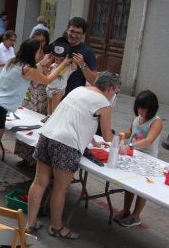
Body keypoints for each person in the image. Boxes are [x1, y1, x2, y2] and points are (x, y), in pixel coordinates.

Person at [26, 71, 119, 239]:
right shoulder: (104, 104)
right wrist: (122, 141)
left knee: (39, 182)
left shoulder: (79, 90)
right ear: (110, 88)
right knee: (60, 189)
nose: (114, 95)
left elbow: (79, 117)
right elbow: (107, 136)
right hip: (66, 143)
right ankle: (56, 227)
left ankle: (30, 223)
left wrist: (92, 141)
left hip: (47, 135)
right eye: (116, 91)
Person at [0, 39, 72, 192]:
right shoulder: (28, 69)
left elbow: (30, 70)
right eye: (40, 51)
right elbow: (48, 79)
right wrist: (63, 64)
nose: (42, 53)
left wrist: (44, 61)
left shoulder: (14, 61)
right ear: (33, 53)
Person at [114, 90, 163, 228]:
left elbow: (148, 140)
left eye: (144, 109)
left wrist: (130, 145)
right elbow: (131, 132)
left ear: (151, 108)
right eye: (139, 108)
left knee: (142, 188)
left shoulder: (156, 122)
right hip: (133, 156)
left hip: (147, 159)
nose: (140, 111)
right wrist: (122, 135)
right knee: (130, 185)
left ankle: (136, 215)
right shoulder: (137, 118)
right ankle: (126, 210)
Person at [62, 17, 98, 96]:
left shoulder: (88, 52)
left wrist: (82, 65)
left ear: (83, 34)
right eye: (72, 31)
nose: (74, 35)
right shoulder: (59, 46)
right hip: (52, 96)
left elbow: (94, 81)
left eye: (78, 33)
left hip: (73, 97)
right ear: (67, 30)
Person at [22, 29, 51, 115]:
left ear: (46, 41)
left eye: (42, 41)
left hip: (43, 90)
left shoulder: (49, 55)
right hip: (28, 88)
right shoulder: (28, 53)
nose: (40, 44)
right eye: (37, 41)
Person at [45, 42, 77, 118]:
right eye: (56, 59)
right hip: (49, 87)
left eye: (61, 60)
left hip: (58, 89)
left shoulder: (68, 67)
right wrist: (46, 69)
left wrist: (73, 59)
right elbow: (48, 75)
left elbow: (74, 67)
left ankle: (53, 119)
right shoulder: (53, 65)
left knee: (55, 105)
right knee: (49, 104)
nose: (58, 61)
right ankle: (48, 116)